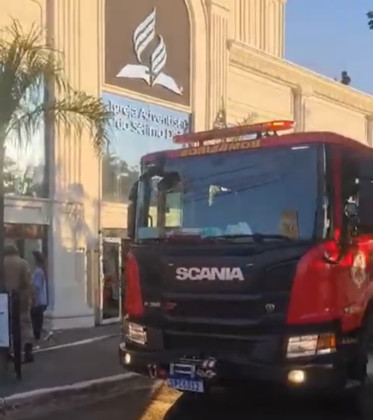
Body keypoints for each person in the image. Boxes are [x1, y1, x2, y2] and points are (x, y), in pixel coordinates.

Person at [4, 244, 34, 363]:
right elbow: (27, 282)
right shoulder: (23, 263)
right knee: (25, 324)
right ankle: (27, 350)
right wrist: (29, 296)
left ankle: (8, 351)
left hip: (5, 299)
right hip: (21, 298)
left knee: (7, 325)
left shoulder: (3, 263)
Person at [30, 251, 50, 348]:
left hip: (38, 300)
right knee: (38, 320)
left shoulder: (38, 271)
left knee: (36, 321)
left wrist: (32, 296)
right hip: (41, 299)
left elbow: (36, 286)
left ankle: (38, 340)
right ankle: (46, 333)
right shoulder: (41, 270)